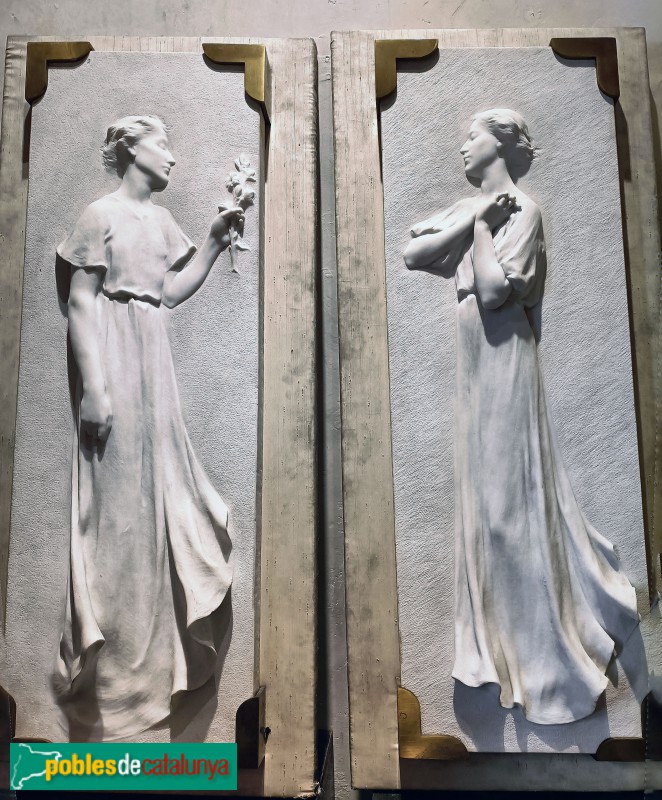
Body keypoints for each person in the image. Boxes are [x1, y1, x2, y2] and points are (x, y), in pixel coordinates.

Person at [404, 109, 639, 725]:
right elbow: (412, 252)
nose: (463, 145)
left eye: (472, 136)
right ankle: (493, 650)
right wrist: (473, 218)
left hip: (505, 356)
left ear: (501, 144)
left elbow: (491, 291)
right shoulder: (473, 207)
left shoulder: (524, 211)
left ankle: (545, 658)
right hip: (475, 364)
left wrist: (482, 230)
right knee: (485, 506)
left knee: (509, 508)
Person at [54, 115, 244, 739]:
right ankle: (109, 680)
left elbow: (168, 292)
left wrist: (213, 241)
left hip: (152, 365)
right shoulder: (99, 215)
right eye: (163, 145)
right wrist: (94, 389)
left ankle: (155, 665)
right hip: (114, 360)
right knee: (115, 518)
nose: (172, 157)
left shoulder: (161, 222)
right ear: (132, 150)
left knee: (157, 508)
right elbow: (81, 301)